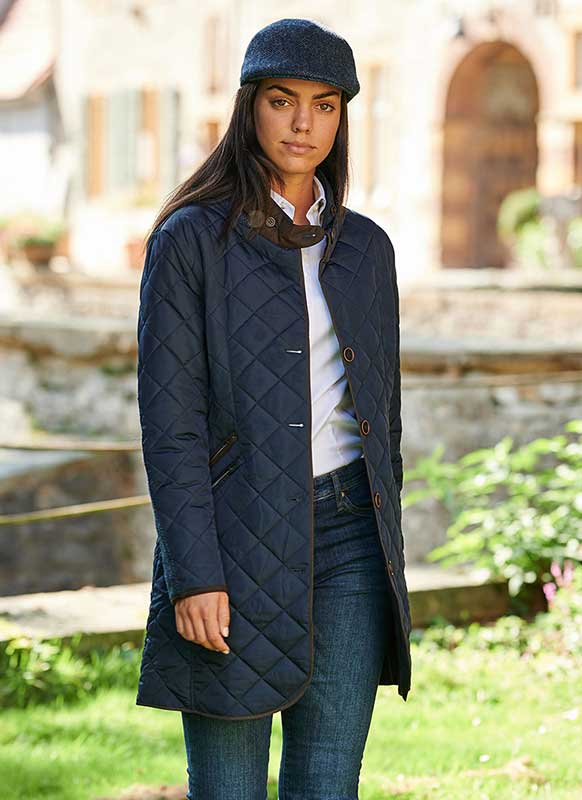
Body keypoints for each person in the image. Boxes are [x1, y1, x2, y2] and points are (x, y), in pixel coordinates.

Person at [135, 17, 412, 800]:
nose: (302, 124)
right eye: (283, 101)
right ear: (250, 106)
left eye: (324, 105)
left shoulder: (367, 249)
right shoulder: (191, 240)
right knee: (227, 788)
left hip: (352, 541)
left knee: (328, 783)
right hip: (235, 537)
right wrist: (194, 574)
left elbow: (384, 413)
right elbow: (171, 424)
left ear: (342, 117)